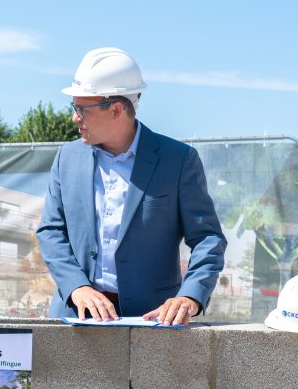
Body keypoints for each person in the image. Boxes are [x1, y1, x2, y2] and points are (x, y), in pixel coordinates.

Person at [36, 47, 226, 326]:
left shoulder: (178, 161)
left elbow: (208, 239)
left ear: (116, 109)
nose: (75, 118)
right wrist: (78, 287)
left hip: (152, 323)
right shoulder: (67, 158)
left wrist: (190, 297)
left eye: (81, 109)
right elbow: (51, 231)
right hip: (75, 322)